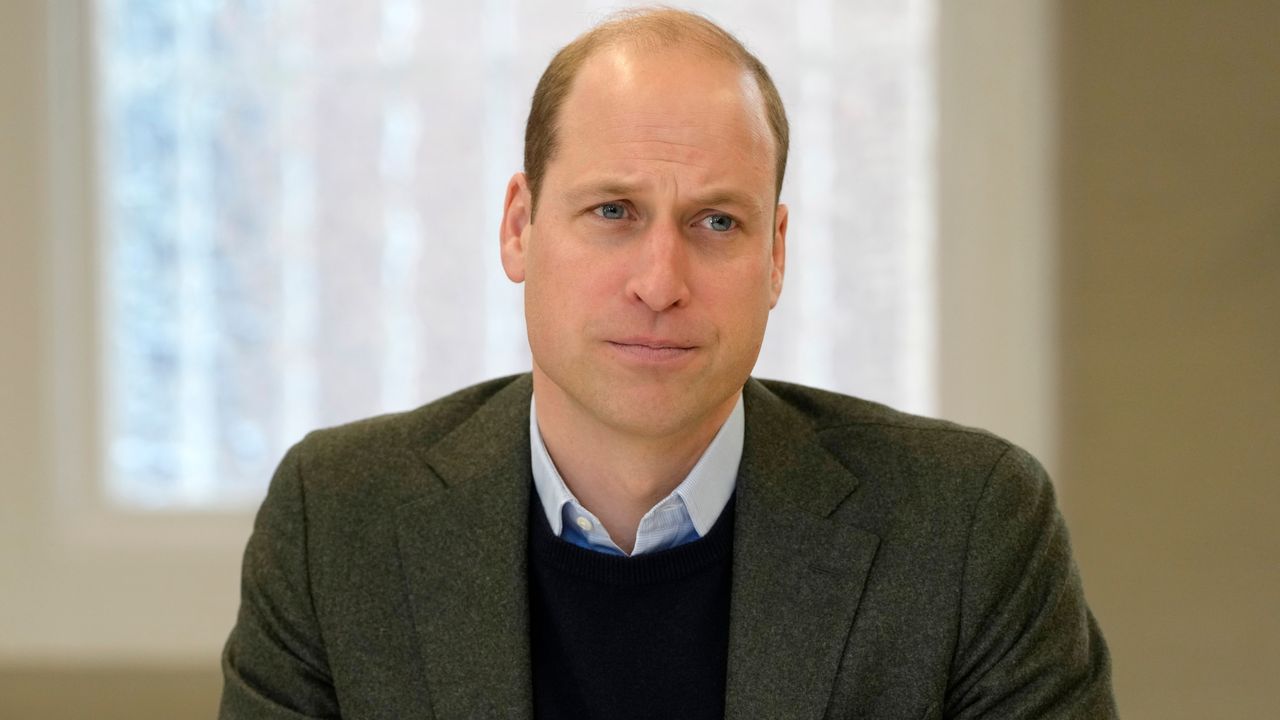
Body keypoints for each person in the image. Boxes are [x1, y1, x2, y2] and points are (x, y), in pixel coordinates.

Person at [219, 8, 1117, 719]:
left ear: (776, 254)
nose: (660, 282)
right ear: (519, 227)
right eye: (613, 211)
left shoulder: (969, 528)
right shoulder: (336, 522)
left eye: (716, 222)